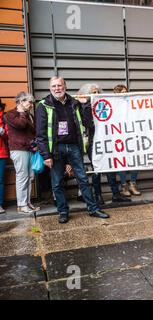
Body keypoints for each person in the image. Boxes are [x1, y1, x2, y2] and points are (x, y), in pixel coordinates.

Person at [35, 76, 109, 224]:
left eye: (60, 85)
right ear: (50, 88)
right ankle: (63, 211)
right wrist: (45, 155)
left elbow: (88, 122)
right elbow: (40, 134)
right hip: (55, 149)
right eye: (54, 86)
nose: (57, 88)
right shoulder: (44, 105)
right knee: (57, 182)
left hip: (74, 146)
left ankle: (93, 209)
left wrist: (86, 104)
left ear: (65, 86)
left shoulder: (74, 103)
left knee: (82, 179)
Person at [77, 83, 130, 205]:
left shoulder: (103, 104)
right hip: (93, 142)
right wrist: (85, 104)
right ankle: (98, 196)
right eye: (93, 92)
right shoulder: (83, 106)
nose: (96, 94)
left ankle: (115, 194)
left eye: (97, 92)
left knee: (110, 167)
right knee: (97, 169)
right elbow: (88, 123)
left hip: (107, 140)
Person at [5, 92, 40, 214]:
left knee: (30, 177)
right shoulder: (10, 114)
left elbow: (33, 131)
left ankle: (28, 203)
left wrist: (35, 144)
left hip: (29, 149)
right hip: (18, 150)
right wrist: (21, 112)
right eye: (29, 102)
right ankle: (21, 205)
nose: (31, 105)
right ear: (21, 101)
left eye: (32, 102)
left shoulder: (29, 115)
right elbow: (20, 125)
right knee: (22, 177)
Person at [113, 84, 142, 197]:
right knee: (122, 162)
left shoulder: (131, 104)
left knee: (135, 160)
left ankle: (133, 184)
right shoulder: (113, 105)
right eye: (121, 92)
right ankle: (124, 186)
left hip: (132, 135)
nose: (124, 94)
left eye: (125, 91)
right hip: (119, 137)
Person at [0, 99, 8, 213]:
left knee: (0, 180)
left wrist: (3, 133)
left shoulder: (4, 117)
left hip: (1, 152)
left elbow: (8, 135)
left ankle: (0, 204)